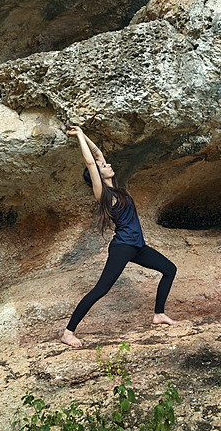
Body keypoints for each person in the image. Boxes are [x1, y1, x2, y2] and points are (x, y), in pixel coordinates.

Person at [61, 125, 178, 347]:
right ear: (97, 175)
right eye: (103, 167)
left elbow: (97, 155)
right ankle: (68, 332)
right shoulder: (103, 194)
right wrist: (78, 138)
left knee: (169, 269)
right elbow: (91, 163)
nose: (107, 165)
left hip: (137, 246)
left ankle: (159, 314)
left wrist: (83, 133)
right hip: (123, 247)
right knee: (101, 289)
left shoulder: (115, 188)